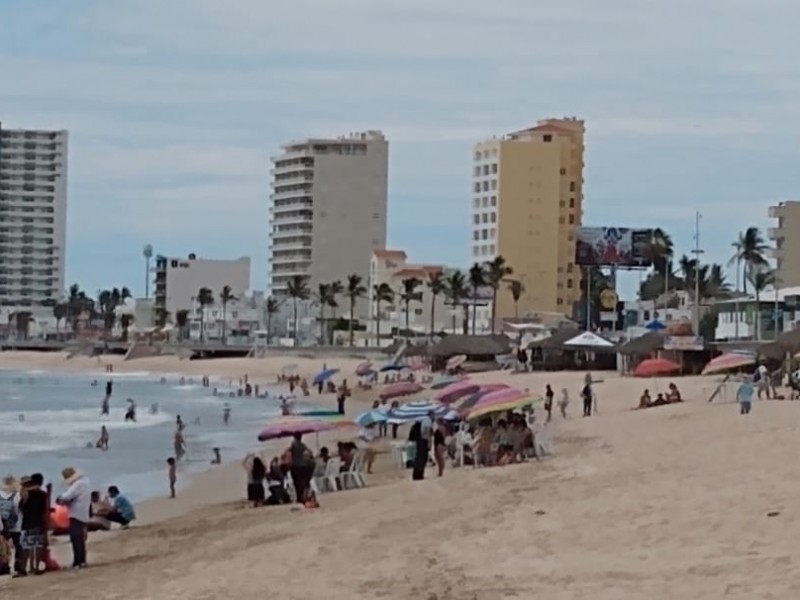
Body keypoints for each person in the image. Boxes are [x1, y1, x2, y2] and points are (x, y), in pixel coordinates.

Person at [55, 467, 91, 570]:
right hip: (83, 512)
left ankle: (78, 561)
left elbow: (66, 496)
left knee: (76, 538)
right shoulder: (85, 482)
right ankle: (81, 560)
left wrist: (59, 499)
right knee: (79, 538)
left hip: (76, 513)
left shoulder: (78, 485)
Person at [19, 474, 48, 575]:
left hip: (27, 523)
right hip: (39, 522)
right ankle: (38, 568)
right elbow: (45, 510)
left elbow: (20, 507)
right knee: (38, 547)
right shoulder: (43, 494)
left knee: (26, 547)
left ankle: (23, 569)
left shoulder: (26, 493)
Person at [0, 475, 24, 577]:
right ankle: (17, 566)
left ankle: (4, 565)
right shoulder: (17, 495)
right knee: (18, 546)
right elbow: (18, 509)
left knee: (3, 548)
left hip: (2, 525)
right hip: (16, 525)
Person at [287, 433, 313, 504]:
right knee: (302, 482)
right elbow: (308, 451)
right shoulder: (302, 445)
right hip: (302, 466)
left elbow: (289, 451)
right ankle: (302, 497)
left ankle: (299, 497)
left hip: (295, 466)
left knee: (297, 483)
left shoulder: (294, 444)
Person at [412, 411, 434, 481]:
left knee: (418, 457)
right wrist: (429, 443)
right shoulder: (428, 420)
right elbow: (427, 433)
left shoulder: (420, 420)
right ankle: (419, 474)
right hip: (423, 441)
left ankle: (416, 475)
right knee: (422, 458)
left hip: (419, 440)